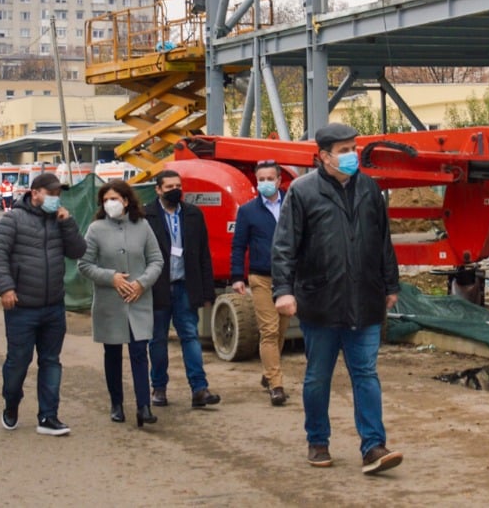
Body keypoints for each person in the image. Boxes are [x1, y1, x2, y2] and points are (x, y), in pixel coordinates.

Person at [272, 122, 403, 475]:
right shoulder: (302, 192)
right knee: (318, 376)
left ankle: (373, 445)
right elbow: (284, 247)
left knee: (366, 374)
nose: (352, 155)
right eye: (344, 150)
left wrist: (391, 285)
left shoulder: (370, 190)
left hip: (365, 299)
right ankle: (317, 441)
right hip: (321, 302)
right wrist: (283, 291)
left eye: (353, 147)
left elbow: (382, 242)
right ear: (324, 156)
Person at [0, 171, 85, 436]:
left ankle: (48, 416)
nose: (56, 199)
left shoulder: (59, 221)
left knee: (51, 361)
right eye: (51, 194)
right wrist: (6, 287)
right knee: (18, 362)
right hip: (22, 307)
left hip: (53, 305)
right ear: (35, 194)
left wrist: (68, 223)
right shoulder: (13, 220)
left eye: (58, 194)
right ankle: (11, 402)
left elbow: (77, 251)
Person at [78, 179, 163, 427]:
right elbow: (84, 264)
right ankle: (116, 403)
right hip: (109, 303)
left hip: (138, 300)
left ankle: (143, 406)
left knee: (139, 352)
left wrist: (141, 283)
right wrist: (111, 278)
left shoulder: (143, 226)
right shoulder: (95, 229)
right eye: (105, 200)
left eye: (114, 199)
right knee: (112, 353)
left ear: (126, 201)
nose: (109, 204)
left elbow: (156, 260)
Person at [146, 169, 219, 409]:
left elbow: (203, 254)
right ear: (158, 189)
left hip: (185, 285)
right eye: (169, 187)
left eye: (178, 185)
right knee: (157, 339)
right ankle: (159, 387)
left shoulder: (193, 214)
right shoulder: (146, 215)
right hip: (157, 288)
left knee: (190, 336)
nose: (175, 190)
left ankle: (199, 389)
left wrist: (207, 291)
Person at [231, 161, 289, 406]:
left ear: (278, 180)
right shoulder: (247, 211)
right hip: (260, 277)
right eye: (261, 178)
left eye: (270, 178)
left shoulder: (292, 205)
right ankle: (276, 385)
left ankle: (268, 372)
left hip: (287, 278)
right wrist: (236, 276)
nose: (265, 182)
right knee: (270, 330)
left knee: (282, 329)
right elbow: (238, 245)